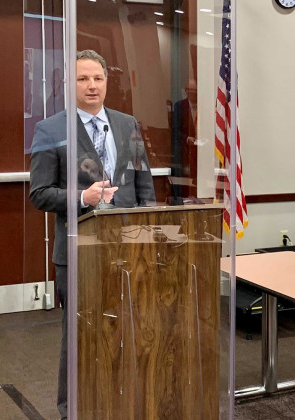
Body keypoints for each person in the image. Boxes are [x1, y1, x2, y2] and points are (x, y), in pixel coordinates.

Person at [29, 49, 155, 419]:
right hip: (79, 250)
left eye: (97, 78)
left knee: (131, 327)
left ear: (106, 81)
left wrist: (149, 235)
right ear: (71, 85)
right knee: (80, 335)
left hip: (129, 248)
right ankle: (73, 410)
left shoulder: (127, 123)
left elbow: (143, 185)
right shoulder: (50, 129)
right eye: (83, 79)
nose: (91, 86)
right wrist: (81, 197)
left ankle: (123, 400)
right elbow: (39, 193)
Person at [170, 78, 199, 203]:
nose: (193, 93)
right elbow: (175, 130)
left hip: (200, 153)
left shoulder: (203, 106)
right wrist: (187, 139)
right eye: (191, 90)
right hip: (184, 152)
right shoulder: (180, 106)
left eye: (195, 91)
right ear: (186, 91)